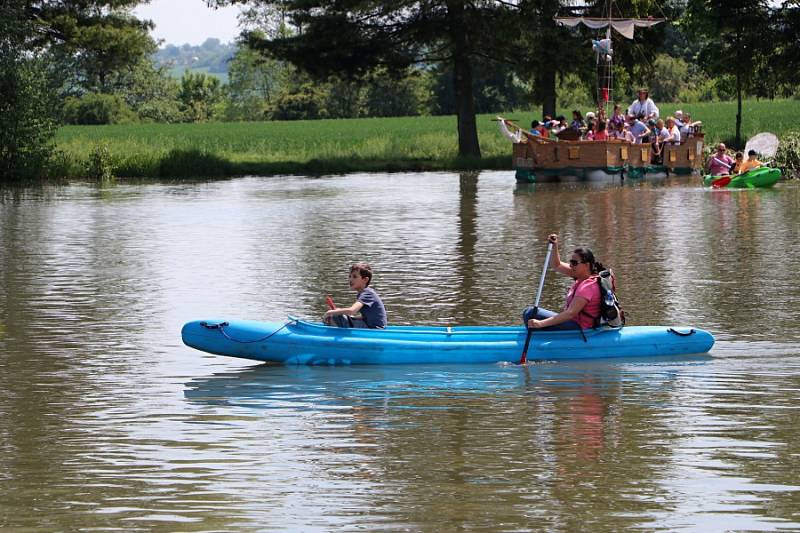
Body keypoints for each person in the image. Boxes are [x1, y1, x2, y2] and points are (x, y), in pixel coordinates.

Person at [526, 234, 604, 331]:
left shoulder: (588, 287)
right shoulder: (580, 275)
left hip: (580, 328)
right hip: (573, 322)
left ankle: (540, 340)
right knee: (530, 312)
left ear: (587, 265)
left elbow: (570, 313)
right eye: (571, 262)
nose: (571, 265)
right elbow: (556, 265)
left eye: (574, 263)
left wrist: (540, 324)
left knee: (530, 313)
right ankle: (540, 338)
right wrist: (555, 245)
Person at [323, 262, 387, 329]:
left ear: (365, 280)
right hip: (371, 326)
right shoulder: (363, 293)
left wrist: (330, 313)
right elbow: (365, 316)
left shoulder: (367, 293)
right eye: (349, 276)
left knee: (335, 316)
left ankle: (333, 333)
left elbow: (352, 311)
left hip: (374, 329)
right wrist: (341, 313)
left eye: (354, 277)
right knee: (338, 314)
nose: (350, 280)